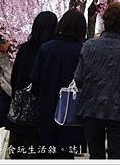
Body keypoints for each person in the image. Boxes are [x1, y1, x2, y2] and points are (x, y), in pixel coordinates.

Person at [74, 1, 120, 160]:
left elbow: (78, 78)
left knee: (95, 155)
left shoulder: (89, 46)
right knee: (117, 156)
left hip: (91, 108)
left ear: (106, 19)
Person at [31, 9, 87, 159]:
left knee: (47, 148)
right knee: (66, 152)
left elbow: (35, 79)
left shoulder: (46, 48)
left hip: (47, 106)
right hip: (71, 110)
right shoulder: (83, 50)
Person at [8, 11, 58, 159]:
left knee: (18, 147)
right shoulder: (51, 50)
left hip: (22, 107)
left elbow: (14, 77)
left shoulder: (24, 49)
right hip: (43, 109)